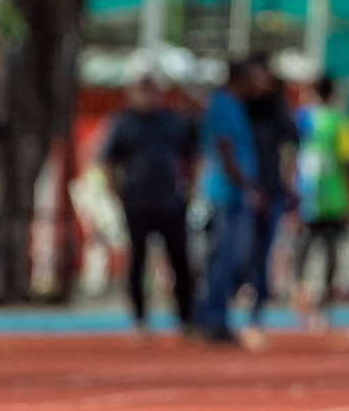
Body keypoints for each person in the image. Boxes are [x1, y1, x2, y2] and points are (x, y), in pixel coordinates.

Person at [100, 73, 199, 339]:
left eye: (152, 91)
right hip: (137, 204)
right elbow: (106, 161)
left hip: (171, 204)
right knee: (137, 262)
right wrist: (118, 194)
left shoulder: (173, 121)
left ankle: (185, 318)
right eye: (142, 91)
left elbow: (193, 154)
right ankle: (140, 319)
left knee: (180, 261)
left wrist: (191, 189)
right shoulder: (123, 123)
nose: (148, 97)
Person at [196, 58, 271, 344]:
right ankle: (212, 319)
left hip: (232, 195)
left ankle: (214, 317)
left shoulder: (235, 105)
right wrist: (249, 186)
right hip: (225, 195)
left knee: (231, 260)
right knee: (224, 260)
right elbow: (225, 152)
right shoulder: (223, 105)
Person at [292, 74, 349, 329]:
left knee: (303, 248)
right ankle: (323, 307)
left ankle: (299, 293)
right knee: (330, 251)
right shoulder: (342, 122)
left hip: (306, 193)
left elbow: (289, 153)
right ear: (334, 94)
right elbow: (347, 162)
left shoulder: (301, 118)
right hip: (334, 195)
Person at [240, 65, 298, 347]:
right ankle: (220, 312)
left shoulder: (277, 111)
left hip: (271, 192)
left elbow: (291, 145)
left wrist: (287, 182)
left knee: (261, 255)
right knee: (240, 254)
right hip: (243, 194)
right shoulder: (241, 108)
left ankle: (254, 316)